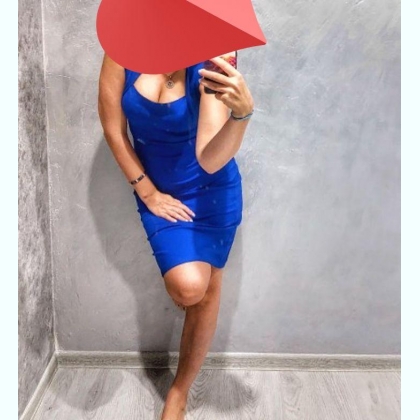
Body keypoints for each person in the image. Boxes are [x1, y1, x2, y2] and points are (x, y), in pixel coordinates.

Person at [97, 52, 254, 420]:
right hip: (157, 192)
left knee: (206, 288)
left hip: (211, 193)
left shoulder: (214, 55)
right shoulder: (121, 49)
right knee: (188, 288)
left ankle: (179, 392)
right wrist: (148, 192)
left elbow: (210, 159)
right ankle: (180, 386)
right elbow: (113, 129)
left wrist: (242, 115)